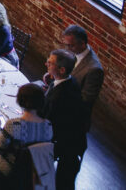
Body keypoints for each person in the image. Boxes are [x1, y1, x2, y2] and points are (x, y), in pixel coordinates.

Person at [0, 84, 54, 181]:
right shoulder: (47, 125)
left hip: (11, 169)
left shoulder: (15, 124)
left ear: (20, 101)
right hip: (34, 170)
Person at [43, 50, 88, 190]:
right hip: (72, 138)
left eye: (50, 63)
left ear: (62, 70)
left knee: (63, 184)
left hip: (65, 144)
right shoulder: (70, 81)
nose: (46, 64)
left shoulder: (60, 97)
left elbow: (47, 121)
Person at [59, 24, 105, 119]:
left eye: (71, 46)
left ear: (83, 44)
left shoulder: (94, 69)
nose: (67, 49)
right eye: (66, 45)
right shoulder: (74, 51)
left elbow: (85, 100)